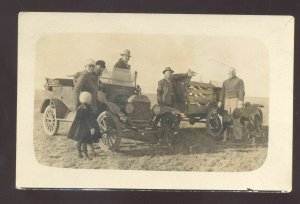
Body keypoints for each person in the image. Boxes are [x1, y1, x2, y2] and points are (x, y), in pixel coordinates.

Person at [68, 92, 101, 160]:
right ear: (88, 99)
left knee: (80, 141)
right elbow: (86, 119)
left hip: (79, 127)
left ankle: (79, 153)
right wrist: (91, 127)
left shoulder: (81, 106)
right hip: (83, 128)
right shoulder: (85, 108)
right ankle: (85, 155)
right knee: (84, 141)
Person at [218, 67, 245, 141]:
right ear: (228, 73)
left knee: (236, 118)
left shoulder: (239, 81)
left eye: (233, 72)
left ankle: (238, 137)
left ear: (235, 72)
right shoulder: (225, 82)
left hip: (235, 100)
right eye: (230, 72)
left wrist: (240, 101)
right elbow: (222, 93)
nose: (231, 73)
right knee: (225, 119)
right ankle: (225, 137)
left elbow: (241, 91)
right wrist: (220, 101)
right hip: (227, 101)